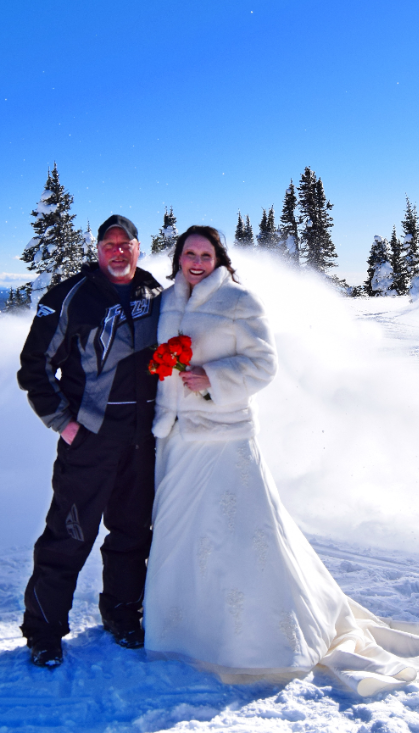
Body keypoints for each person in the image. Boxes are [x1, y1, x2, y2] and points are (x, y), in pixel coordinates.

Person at [144, 226, 419, 695]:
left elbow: (263, 365)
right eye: (188, 253)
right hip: (176, 439)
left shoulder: (238, 301)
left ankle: (248, 640)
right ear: (178, 258)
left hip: (224, 437)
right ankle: (181, 630)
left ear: (219, 259)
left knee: (237, 535)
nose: (195, 261)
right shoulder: (168, 300)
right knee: (178, 536)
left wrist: (210, 376)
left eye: (205, 254)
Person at [15, 215, 164, 668]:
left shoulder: (155, 294)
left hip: (144, 437)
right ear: (97, 249)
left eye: (126, 244)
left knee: (133, 533)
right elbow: (33, 367)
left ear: (139, 248)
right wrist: (64, 422)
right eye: (109, 244)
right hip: (92, 438)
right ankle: (43, 630)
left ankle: (121, 612)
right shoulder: (68, 298)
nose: (118, 252)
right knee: (70, 534)